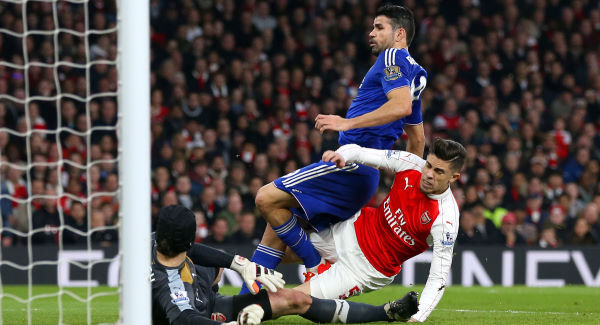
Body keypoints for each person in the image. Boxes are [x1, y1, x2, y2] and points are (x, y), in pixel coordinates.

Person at [243, 4, 428, 292]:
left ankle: (315, 265)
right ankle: (245, 302)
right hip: (365, 176)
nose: (372, 32)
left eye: (379, 27)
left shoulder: (392, 56)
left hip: (349, 167)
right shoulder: (416, 75)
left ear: (399, 33)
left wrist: (347, 123)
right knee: (274, 231)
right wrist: (409, 192)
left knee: (265, 198)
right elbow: (417, 139)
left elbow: (400, 106)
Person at [292, 138, 466, 323]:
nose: (429, 174)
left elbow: (438, 276)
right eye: (429, 165)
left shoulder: (446, 218)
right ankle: (258, 274)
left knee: (292, 300)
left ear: (453, 177)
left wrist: (418, 317)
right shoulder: (411, 164)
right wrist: (341, 155)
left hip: (367, 268)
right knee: (283, 237)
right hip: (349, 231)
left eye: (438, 171)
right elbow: (359, 152)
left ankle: (259, 303)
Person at [151, 205, 419, 324]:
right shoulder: (172, 290)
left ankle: (388, 314)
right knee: (295, 300)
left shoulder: (152, 242)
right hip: (204, 312)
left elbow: (195, 251)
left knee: (217, 264)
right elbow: (186, 319)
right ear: (187, 243)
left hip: (201, 290)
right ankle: (386, 313)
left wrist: (238, 263)